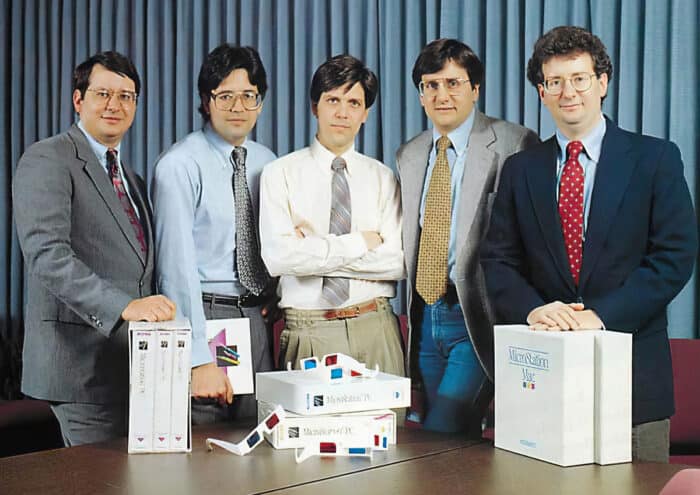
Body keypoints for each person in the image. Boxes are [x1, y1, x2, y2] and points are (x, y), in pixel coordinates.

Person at [481, 26, 698, 461]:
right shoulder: (521, 169)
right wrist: (533, 308)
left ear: (602, 82)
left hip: (634, 379)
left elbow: (674, 258)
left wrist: (600, 317)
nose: (568, 92)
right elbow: (498, 260)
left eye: (579, 78)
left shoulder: (655, 158)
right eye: (554, 81)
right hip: (546, 382)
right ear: (542, 92)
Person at [13, 51, 176, 446]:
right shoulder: (47, 158)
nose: (114, 105)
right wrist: (123, 306)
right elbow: (47, 256)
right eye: (103, 93)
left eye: (126, 96)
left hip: (132, 371)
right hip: (79, 371)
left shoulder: (132, 179)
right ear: (78, 100)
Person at [396, 39, 539, 434]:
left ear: (475, 88)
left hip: (478, 315)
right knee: (432, 441)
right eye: (431, 85)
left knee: (446, 427)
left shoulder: (514, 143)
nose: (442, 95)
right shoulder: (409, 154)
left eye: (453, 83)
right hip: (424, 316)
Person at [151, 44, 277, 424]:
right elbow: (175, 268)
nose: (238, 107)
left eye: (248, 96)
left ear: (260, 102)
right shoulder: (179, 165)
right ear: (206, 102)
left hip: (255, 320)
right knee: (207, 459)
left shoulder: (267, 162)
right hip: (205, 315)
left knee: (260, 454)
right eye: (225, 96)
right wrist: (197, 357)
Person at [259, 55, 405, 376]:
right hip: (310, 329)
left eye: (354, 103)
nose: (342, 112)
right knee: (309, 426)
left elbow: (396, 262)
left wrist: (313, 250)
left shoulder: (384, 178)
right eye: (332, 100)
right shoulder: (279, 173)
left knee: (388, 425)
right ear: (315, 107)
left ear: (365, 113)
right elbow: (278, 258)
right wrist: (361, 242)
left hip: (376, 325)